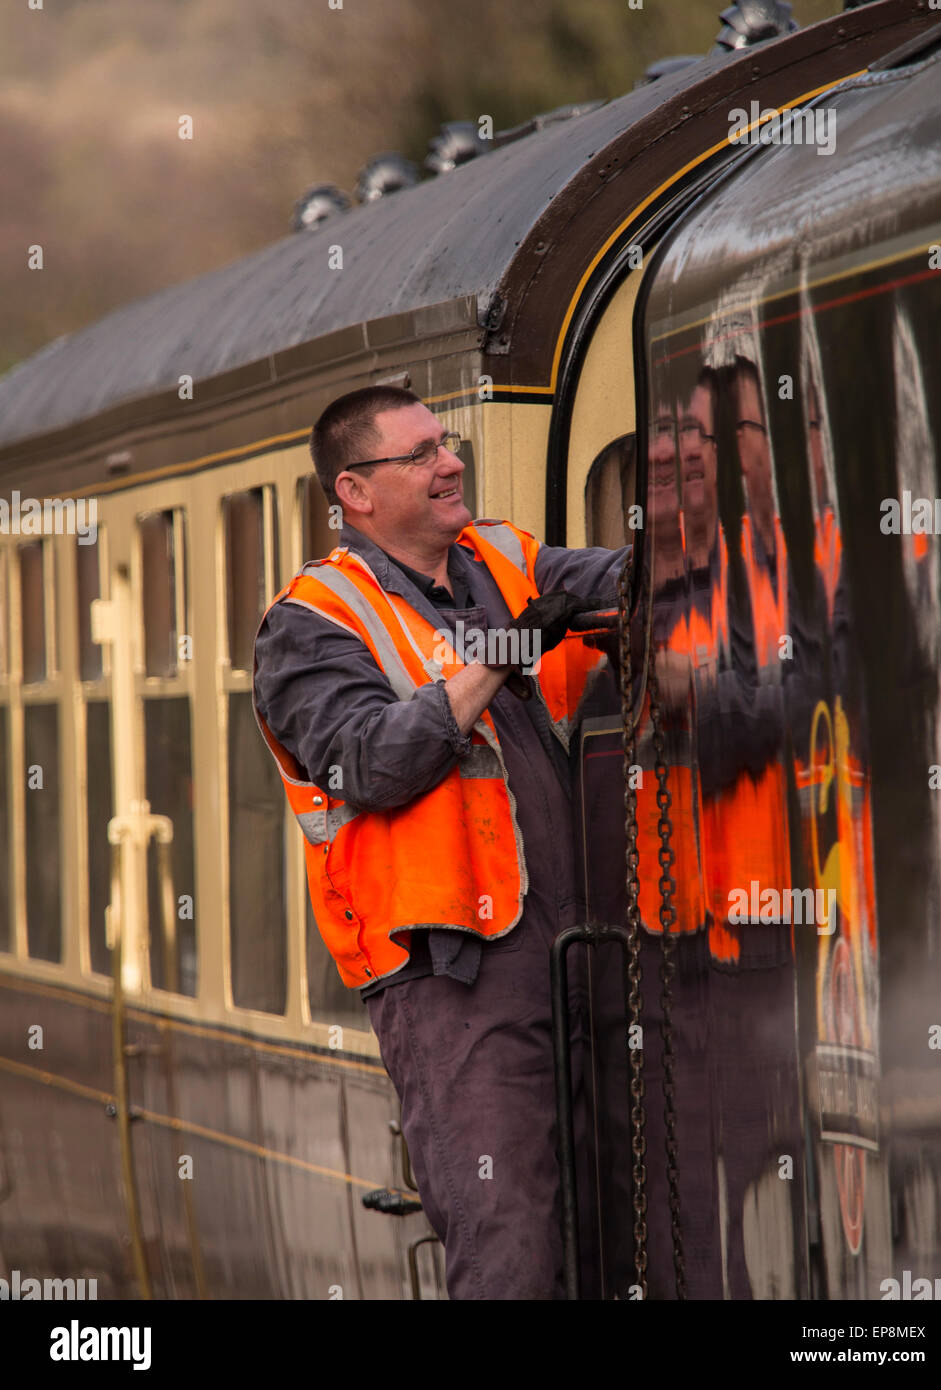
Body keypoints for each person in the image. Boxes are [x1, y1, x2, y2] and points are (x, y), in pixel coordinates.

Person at [252, 385, 628, 1298]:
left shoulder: (501, 557)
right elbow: (372, 763)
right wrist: (495, 656)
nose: (448, 461)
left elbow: (628, 578)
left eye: (445, 442)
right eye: (417, 455)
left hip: (582, 950)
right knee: (509, 1248)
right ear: (355, 491)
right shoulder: (311, 623)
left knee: (623, 1233)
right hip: (450, 974)